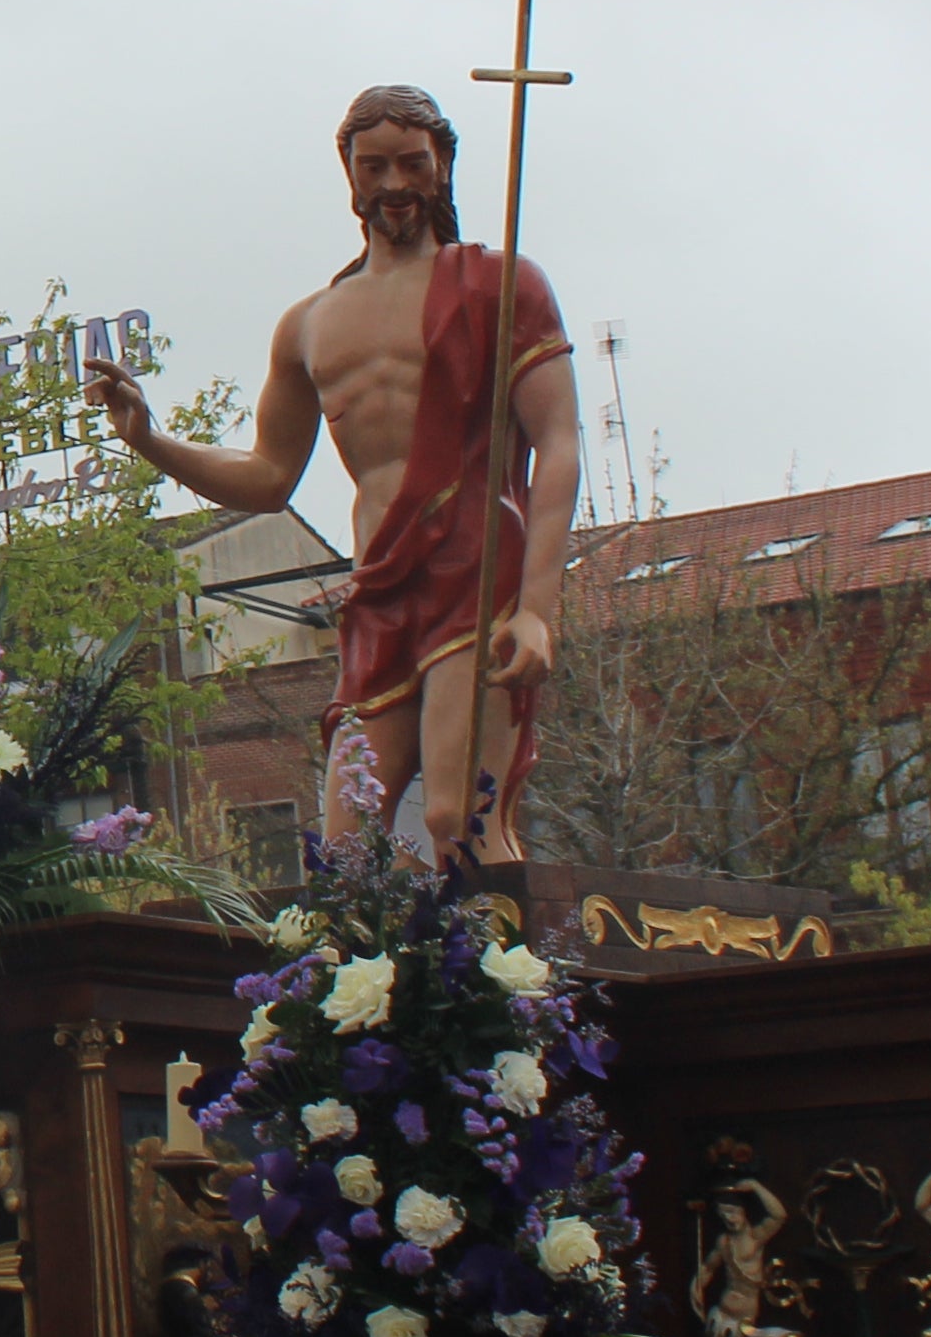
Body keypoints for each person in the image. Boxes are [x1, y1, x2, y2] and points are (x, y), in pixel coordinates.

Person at [84, 83, 580, 861]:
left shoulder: (499, 285)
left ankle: (516, 983)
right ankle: (363, 981)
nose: (392, 186)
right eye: (373, 166)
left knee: (460, 821)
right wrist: (152, 440)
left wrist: (538, 608)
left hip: (477, 574)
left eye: (412, 164)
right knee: (349, 844)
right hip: (378, 588)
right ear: (347, 173)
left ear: (443, 166)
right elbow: (267, 476)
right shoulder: (310, 323)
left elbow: (559, 442)